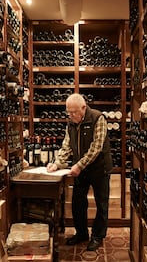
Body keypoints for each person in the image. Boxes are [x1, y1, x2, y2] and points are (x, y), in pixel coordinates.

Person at [46, 93, 112, 251]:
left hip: (99, 168)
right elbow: (67, 145)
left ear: (83, 108)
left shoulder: (98, 118)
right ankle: (82, 233)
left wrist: (79, 165)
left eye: (73, 112)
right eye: (68, 112)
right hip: (81, 170)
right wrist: (58, 163)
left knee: (101, 204)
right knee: (77, 203)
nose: (70, 115)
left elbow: (96, 148)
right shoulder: (71, 123)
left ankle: (97, 236)